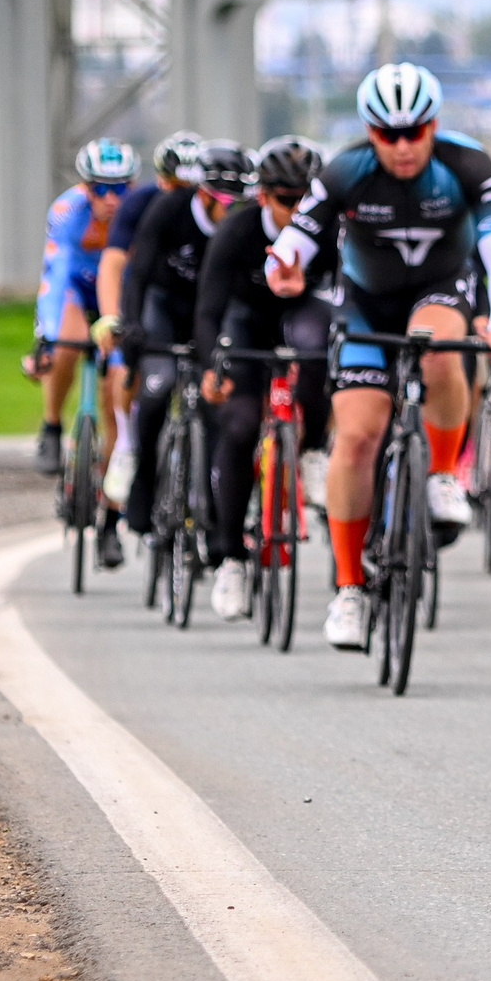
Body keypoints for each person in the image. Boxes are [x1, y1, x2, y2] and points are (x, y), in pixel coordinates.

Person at [265, 64, 491, 651]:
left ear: (433, 126)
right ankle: (349, 589)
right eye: (388, 134)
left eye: (415, 131)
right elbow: (298, 235)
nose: (403, 147)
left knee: (437, 353)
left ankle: (440, 476)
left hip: (441, 288)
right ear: (369, 132)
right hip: (366, 304)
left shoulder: (465, 165)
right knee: (356, 438)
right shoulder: (346, 170)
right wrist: (284, 265)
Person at [196, 136, 337, 619]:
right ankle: (231, 558)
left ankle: (314, 449)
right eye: (286, 201)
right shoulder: (236, 232)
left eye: (307, 201)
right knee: (237, 428)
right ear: (263, 196)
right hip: (247, 325)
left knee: (318, 351)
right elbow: (209, 310)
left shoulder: (329, 230)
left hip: (303, 314)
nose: (298, 212)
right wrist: (209, 367)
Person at [105, 141, 245, 544]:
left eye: (240, 203)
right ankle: (143, 483)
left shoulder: (236, 227)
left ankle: (215, 512)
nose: (232, 211)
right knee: (158, 386)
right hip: (163, 308)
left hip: (210, 314)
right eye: (225, 202)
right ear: (203, 194)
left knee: (216, 403)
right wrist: (131, 325)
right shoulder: (169, 210)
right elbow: (139, 276)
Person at [28, 139, 139, 565]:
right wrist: (47, 336)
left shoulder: (138, 212)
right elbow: (54, 280)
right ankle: (52, 426)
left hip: (118, 294)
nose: (111, 200)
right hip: (75, 289)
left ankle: (112, 522)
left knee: (118, 401)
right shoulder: (66, 212)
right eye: (100, 189)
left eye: (120, 189)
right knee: (65, 349)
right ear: (85, 187)